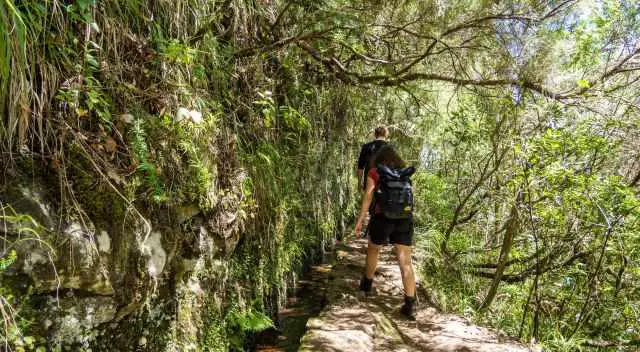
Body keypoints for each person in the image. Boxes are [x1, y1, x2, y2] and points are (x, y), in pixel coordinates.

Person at [354, 145, 417, 318]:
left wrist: (360, 220)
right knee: (405, 261)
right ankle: (409, 304)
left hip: (382, 218)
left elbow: (368, 196)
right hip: (404, 219)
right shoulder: (405, 172)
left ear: (379, 159)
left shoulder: (375, 172)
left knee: (374, 250)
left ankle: (366, 286)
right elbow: (411, 198)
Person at [357, 126, 389, 191]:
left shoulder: (366, 147)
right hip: (386, 184)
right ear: (386, 134)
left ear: (375, 134)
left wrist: (359, 183)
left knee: (368, 201)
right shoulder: (390, 148)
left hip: (369, 183)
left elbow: (360, 167)